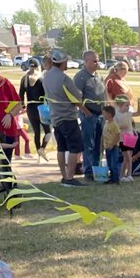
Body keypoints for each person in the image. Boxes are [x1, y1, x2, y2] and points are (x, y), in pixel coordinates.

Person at [41, 49, 89, 187]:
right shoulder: (64, 78)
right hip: (68, 117)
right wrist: (85, 109)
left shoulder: (47, 76)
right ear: (63, 62)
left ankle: (64, 176)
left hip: (55, 118)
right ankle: (69, 178)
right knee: (75, 148)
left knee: (61, 148)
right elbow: (76, 97)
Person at [73, 51, 107, 181]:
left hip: (101, 115)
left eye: (97, 60)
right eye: (94, 61)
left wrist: (106, 110)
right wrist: (86, 112)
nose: (97, 63)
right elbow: (76, 98)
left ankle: (97, 169)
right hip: (88, 114)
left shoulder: (99, 76)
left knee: (99, 144)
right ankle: (88, 170)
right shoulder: (80, 77)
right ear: (86, 61)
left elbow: (104, 94)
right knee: (89, 143)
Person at [101, 103, 121, 183]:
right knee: (109, 163)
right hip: (107, 147)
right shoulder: (106, 123)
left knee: (113, 164)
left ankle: (116, 179)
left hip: (114, 147)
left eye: (104, 113)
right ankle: (111, 178)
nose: (103, 115)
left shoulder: (114, 124)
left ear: (109, 114)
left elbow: (118, 135)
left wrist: (113, 144)